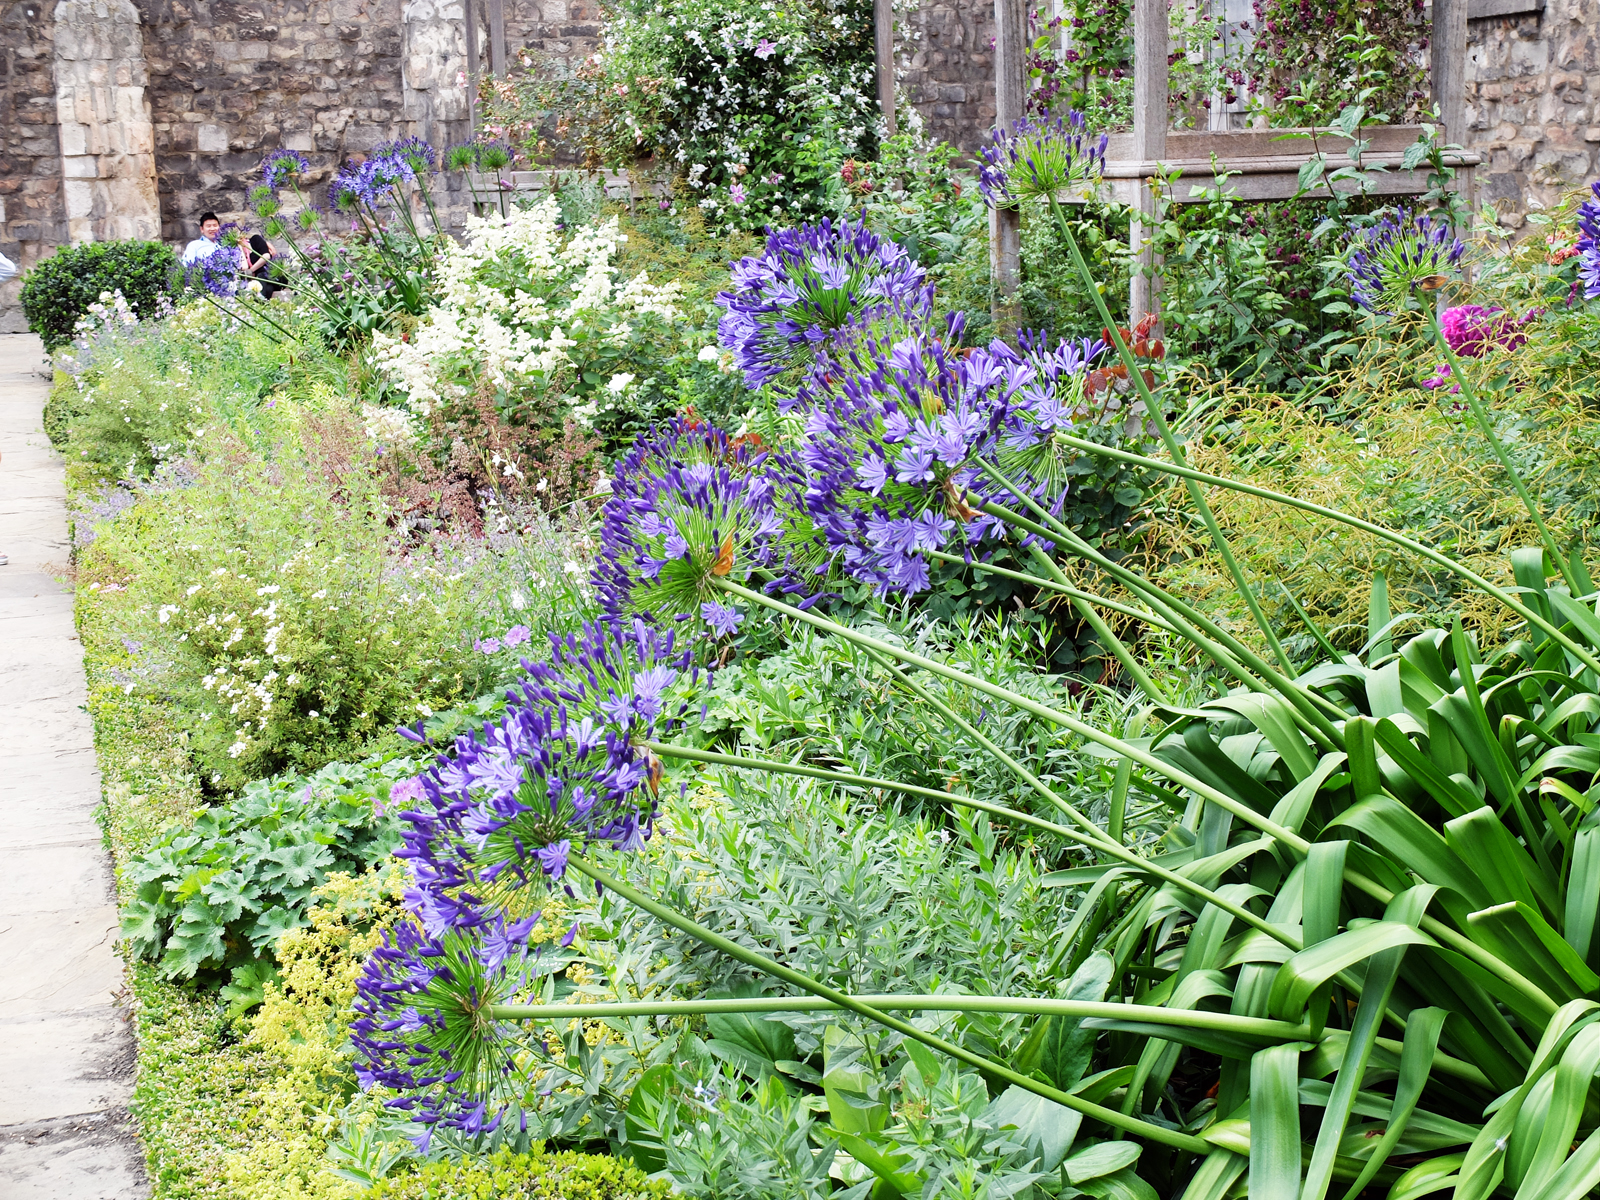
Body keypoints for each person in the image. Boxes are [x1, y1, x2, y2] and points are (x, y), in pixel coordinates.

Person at [243, 232, 284, 299]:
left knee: (261, 275)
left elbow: (266, 256)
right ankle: (263, 303)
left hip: (273, 275)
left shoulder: (255, 239)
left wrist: (251, 270)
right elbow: (244, 267)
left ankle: (259, 301)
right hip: (263, 283)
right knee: (269, 289)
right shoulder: (240, 253)